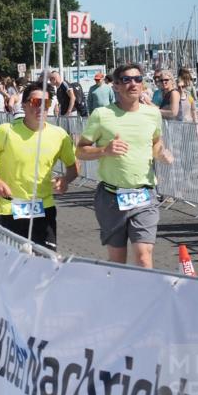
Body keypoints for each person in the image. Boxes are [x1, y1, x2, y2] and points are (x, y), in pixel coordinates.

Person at [76, 63, 174, 269]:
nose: (133, 83)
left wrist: (162, 154)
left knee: (143, 256)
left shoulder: (152, 114)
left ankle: (145, 299)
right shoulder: (102, 115)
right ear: (116, 86)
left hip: (144, 195)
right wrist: (104, 150)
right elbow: (80, 150)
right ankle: (121, 299)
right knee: (118, 262)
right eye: (127, 80)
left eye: (138, 79)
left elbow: (156, 142)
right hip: (111, 197)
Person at [0, 82, 78, 251]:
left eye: (47, 103)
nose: (41, 108)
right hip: (11, 207)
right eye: (36, 102)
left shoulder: (59, 135)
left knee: (46, 261)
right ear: (24, 104)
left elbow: (74, 167)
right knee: (15, 263)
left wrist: (65, 179)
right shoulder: (5, 131)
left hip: (44, 207)